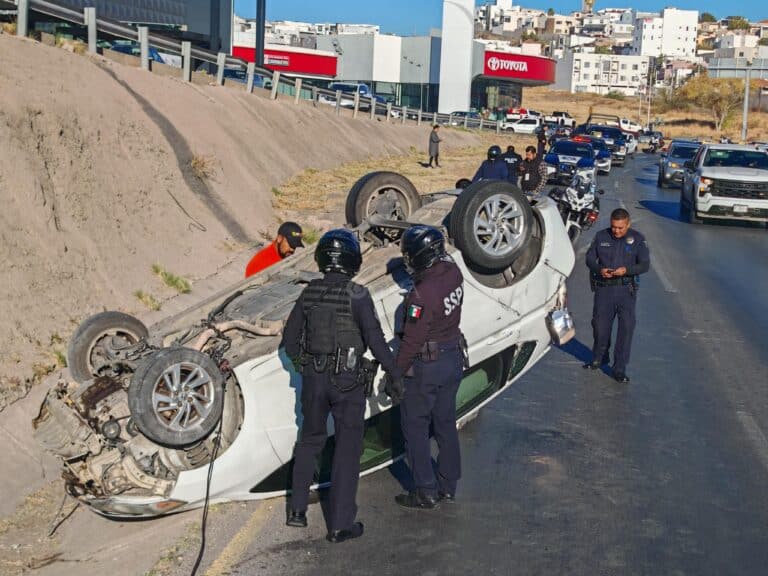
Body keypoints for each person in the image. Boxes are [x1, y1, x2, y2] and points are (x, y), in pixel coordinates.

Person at [282, 229, 402, 543]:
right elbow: (376, 342)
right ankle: (339, 525)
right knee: (347, 451)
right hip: (348, 381)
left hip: (314, 379)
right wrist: (396, 373)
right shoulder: (358, 294)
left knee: (309, 440)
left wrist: (304, 366)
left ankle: (296, 511)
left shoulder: (308, 293)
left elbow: (290, 341)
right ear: (352, 260)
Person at [387, 225, 465, 510]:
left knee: (416, 426)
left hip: (427, 368)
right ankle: (448, 484)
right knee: (445, 423)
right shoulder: (454, 273)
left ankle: (425, 490)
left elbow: (411, 341)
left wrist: (395, 373)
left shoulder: (421, 295)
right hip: (453, 357)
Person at [584, 209, 650, 384]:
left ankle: (619, 368)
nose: (617, 231)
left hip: (625, 291)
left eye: (621, 228)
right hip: (604, 289)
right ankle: (599, 357)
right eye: (614, 227)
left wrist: (627, 270)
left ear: (628, 224)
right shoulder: (601, 236)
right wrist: (599, 270)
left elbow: (645, 265)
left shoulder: (637, 239)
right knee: (599, 326)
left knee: (626, 330)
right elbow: (590, 259)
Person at [518, 130, 548, 198]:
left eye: (529, 155)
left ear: (534, 154)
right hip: (524, 190)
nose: (527, 156)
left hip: (534, 192)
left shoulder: (541, 163)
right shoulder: (524, 162)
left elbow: (544, 177)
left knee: (532, 207)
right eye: (526, 154)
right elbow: (520, 175)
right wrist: (520, 170)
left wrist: (537, 190)